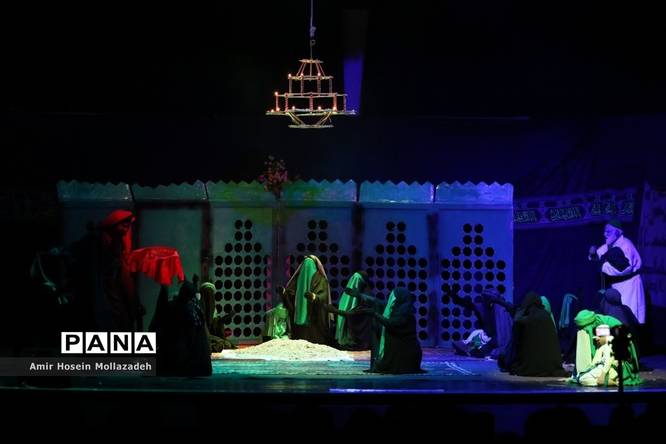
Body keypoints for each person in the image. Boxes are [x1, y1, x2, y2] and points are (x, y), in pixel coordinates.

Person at [344, 286, 424, 374]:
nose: (391, 300)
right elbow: (378, 302)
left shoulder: (406, 313)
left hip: (405, 353)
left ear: (399, 298)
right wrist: (360, 295)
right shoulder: (397, 308)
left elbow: (391, 324)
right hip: (400, 350)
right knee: (376, 332)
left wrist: (374, 313)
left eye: (393, 298)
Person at [588, 220, 646, 324]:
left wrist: (604, 266)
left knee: (630, 316)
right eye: (604, 231)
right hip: (617, 287)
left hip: (629, 286)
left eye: (608, 232)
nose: (605, 234)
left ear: (618, 232)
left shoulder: (626, 245)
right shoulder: (610, 244)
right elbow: (599, 255)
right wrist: (593, 254)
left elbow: (625, 269)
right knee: (619, 316)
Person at [498, 292, 568, 376]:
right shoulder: (546, 315)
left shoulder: (528, 317)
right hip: (550, 364)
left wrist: (522, 310)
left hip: (531, 363)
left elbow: (517, 324)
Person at [571, 309, 641, 386]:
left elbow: (609, 359)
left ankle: (607, 381)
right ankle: (605, 381)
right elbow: (592, 359)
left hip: (614, 363)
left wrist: (603, 374)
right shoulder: (601, 343)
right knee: (583, 378)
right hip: (601, 366)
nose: (596, 338)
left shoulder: (609, 341)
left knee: (584, 379)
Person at [280, 255, 332, 345]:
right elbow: (291, 296)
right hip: (299, 327)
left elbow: (324, 296)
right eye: (304, 266)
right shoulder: (298, 280)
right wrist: (284, 293)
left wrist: (314, 297)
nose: (306, 269)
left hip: (314, 323)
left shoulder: (321, 279)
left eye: (309, 266)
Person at [333, 271, 373, 350]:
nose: (354, 284)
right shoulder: (347, 294)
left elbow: (355, 314)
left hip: (360, 336)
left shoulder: (366, 296)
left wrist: (334, 310)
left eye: (357, 280)